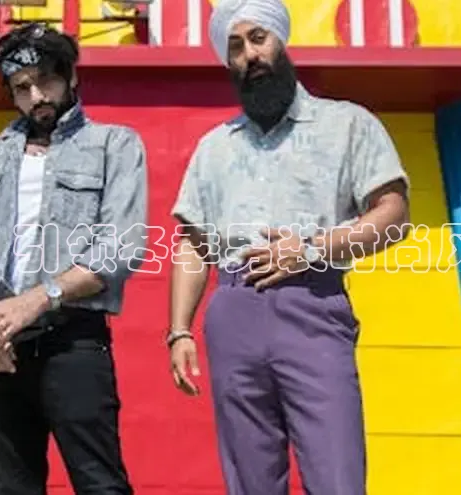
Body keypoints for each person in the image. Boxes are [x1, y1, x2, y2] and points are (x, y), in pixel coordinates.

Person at [166, 1, 410, 494]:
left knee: (337, 475)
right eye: (236, 47)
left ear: (281, 40)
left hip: (312, 305)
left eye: (259, 38)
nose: (250, 55)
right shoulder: (215, 147)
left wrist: (313, 249)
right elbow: (193, 244)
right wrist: (179, 330)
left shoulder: (347, 124)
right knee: (250, 480)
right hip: (233, 314)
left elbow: (394, 217)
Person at [0, 22, 147, 495]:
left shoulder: (114, 144)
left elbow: (120, 247)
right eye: (21, 87)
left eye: (46, 80)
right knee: (11, 489)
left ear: (71, 76)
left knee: (101, 486)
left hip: (74, 341)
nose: (37, 96)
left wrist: (38, 298)